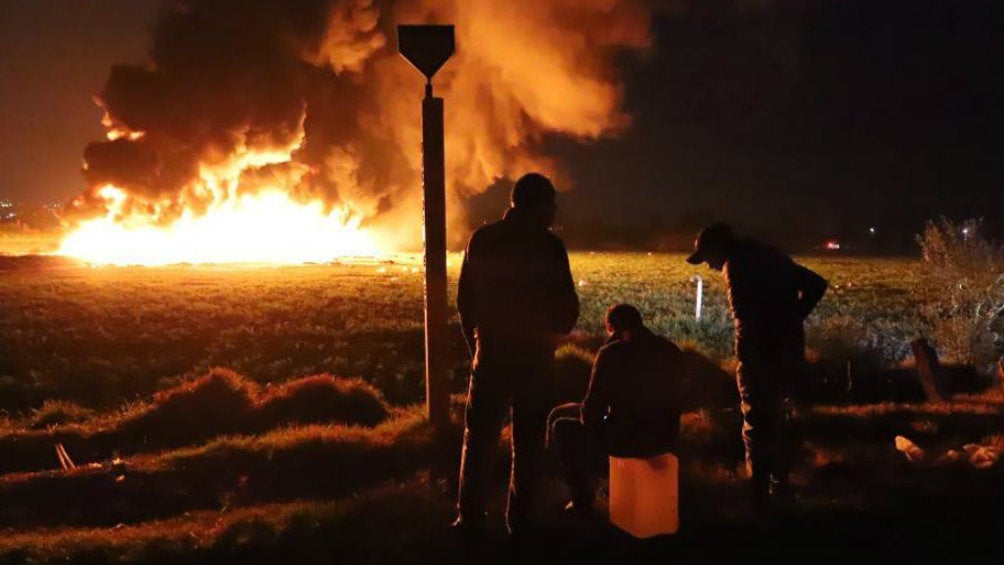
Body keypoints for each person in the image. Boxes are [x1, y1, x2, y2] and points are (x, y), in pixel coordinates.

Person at [452, 173, 580, 538]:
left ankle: (470, 519)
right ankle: (521, 522)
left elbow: (466, 302)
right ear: (538, 206)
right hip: (534, 358)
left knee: (478, 440)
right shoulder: (549, 246)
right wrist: (553, 339)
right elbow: (567, 304)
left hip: (492, 353)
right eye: (550, 205)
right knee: (528, 442)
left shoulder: (484, 239)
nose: (554, 212)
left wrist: (476, 347)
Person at [686, 223, 827, 512]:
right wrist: (793, 319)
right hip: (789, 352)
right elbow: (816, 284)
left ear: (719, 248)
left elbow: (745, 319)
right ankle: (781, 485)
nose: (710, 265)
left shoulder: (736, 266)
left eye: (708, 257)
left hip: (761, 358)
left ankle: (758, 494)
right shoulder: (770, 256)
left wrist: (751, 349)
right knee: (778, 418)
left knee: (756, 422)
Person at [549, 303, 684, 513]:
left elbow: (591, 411)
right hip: (664, 437)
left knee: (560, 425)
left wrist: (604, 351)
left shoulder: (612, 353)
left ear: (611, 328)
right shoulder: (670, 350)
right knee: (565, 414)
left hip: (626, 439)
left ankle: (581, 498)